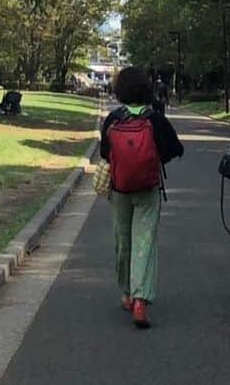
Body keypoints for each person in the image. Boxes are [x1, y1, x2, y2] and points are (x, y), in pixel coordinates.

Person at [99, 65, 184, 329]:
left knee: (122, 240)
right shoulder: (155, 119)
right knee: (144, 241)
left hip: (119, 188)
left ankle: (125, 292)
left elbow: (104, 153)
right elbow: (174, 149)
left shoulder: (113, 119)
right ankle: (140, 298)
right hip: (147, 189)